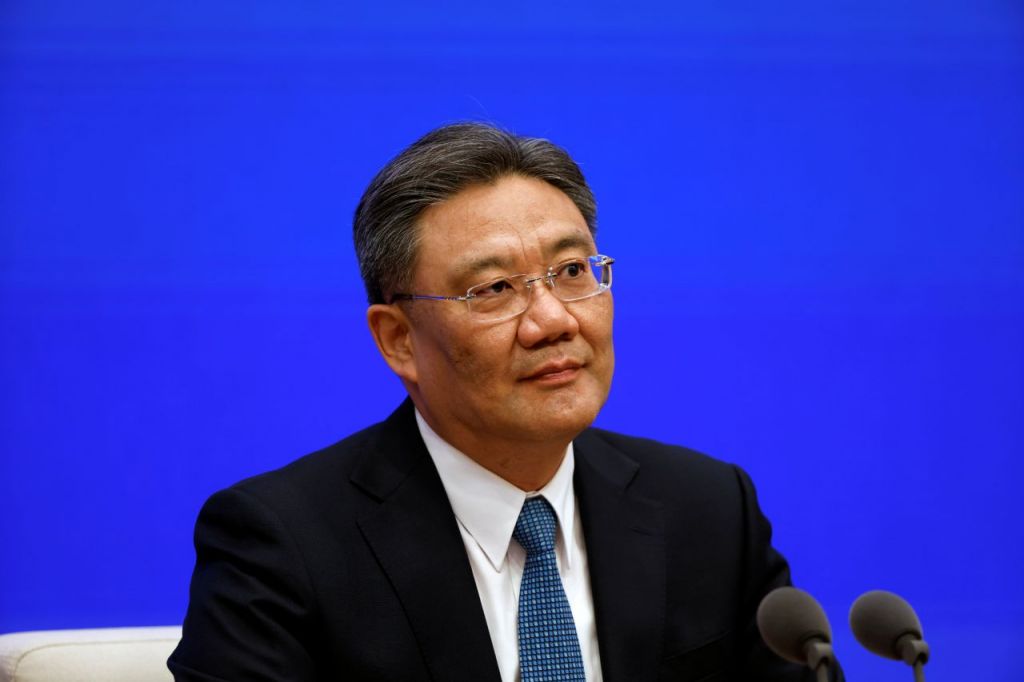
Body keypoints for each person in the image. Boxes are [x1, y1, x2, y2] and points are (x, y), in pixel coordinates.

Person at [168, 123, 829, 681]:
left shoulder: (710, 511)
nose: (553, 321)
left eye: (572, 272)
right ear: (399, 340)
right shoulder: (281, 549)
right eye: (493, 289)